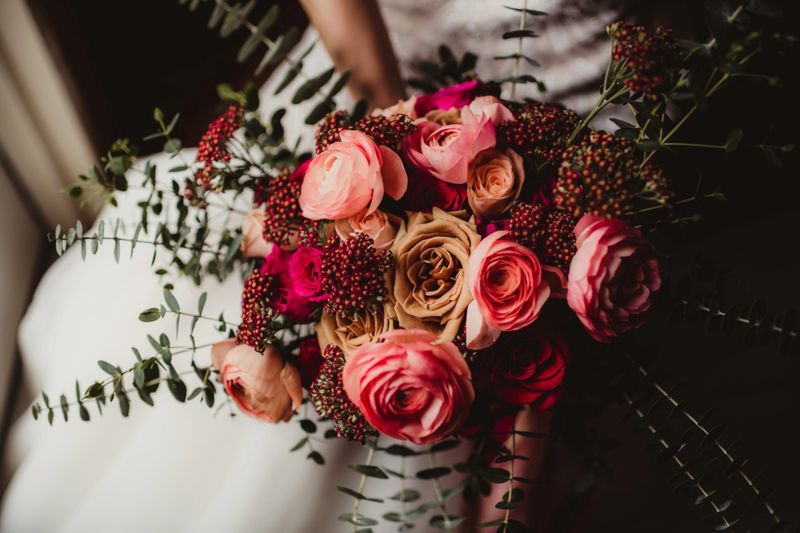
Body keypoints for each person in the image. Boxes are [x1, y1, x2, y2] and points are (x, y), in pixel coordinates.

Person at [1, 1, 657, 531]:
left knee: (568, 318)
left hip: (595, 100)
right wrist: (388, 153)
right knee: (225, 299)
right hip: (378, 81)